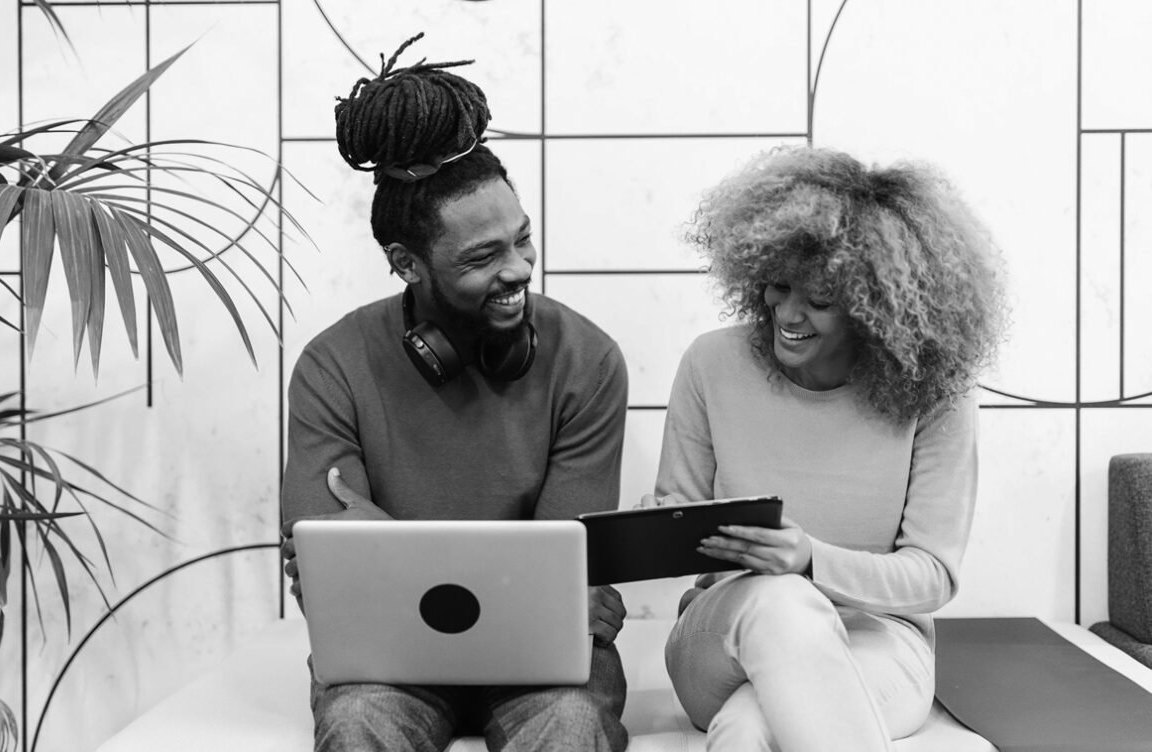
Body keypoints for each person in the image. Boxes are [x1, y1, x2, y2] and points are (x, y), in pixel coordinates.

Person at [279, 34, 630, 752]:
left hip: (544, 664)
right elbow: (329, 574)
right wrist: (509, 574)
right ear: (407, 263)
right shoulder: (332, 366)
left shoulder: (587, 360)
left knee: (569, 726)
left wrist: (388, 540)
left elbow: (567, 576)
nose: (519, 269)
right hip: (389, 660)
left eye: (522, 239)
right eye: (482, 257)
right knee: (356, 724)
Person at [645, 146, 1007, 751]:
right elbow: (675, 520)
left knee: (750, 726)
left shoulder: (936, 393)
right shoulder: (712, 363)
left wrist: (811, 560)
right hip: (722, 632)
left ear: (875, 309)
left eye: (818, 301)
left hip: (879, 643)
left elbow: (931, 577)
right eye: (779, 285)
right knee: (779, 599)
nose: (787, 313)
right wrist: (657, 530)